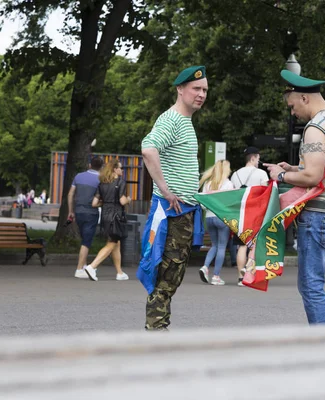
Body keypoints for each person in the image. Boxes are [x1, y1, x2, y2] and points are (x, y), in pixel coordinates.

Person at [264, 69, 325, 325]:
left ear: (304, 98)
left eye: (292, 106)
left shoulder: (315, 128)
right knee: (316, 283)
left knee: (311, 287)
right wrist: (294, 170)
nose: (292, 113)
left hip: (319, 218)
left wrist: (280, 176)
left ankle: (321, 347)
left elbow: (313, 176)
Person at [140, 65, 207, 331]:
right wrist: (166, 190)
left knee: (173, 274)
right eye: (196, 89)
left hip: (184, 211)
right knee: (166, 275)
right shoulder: (172, 120)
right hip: (173, 213)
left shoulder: (184, 121)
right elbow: (148, 149)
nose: (201, 94)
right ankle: (156, 330)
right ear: (180, 89)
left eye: (204, 90)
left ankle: (158, 328)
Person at [83, 159, 131, 282]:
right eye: (120, 168)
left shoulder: (102, 183)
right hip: (116, 216)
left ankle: (120, 273)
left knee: (115, 243)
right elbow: (122, 201)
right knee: (112, 243)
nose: (122, 170)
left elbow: (94, 203)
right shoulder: (120, 182)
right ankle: (92, 266)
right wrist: (129, 199)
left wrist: (105, 203)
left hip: (105, 216)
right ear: (115, 169)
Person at [231, 146, 269, 286]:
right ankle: (249, 273)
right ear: (253, 158)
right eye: (258, 158)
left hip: (240, 214)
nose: (259, 161)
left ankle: (240, 277)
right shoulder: (261, 174)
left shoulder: (235, 175)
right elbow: (265, 195)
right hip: (256, 214)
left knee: (242, 246)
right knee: (254, 245)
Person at [199, 160, 234, 285]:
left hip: (209, 217)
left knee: (214, 245)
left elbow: (203, 205)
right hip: (222, 217)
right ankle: (216, 276)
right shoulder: (228, 184)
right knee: (221, 247)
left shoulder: (208, 184)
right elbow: (230, 203)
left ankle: (205, 266)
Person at [68, 156, 104, 279]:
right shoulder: (100, 179)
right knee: (86, 241)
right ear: (101, 167)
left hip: (78, 211)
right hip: (91, 212)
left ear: (89, 165)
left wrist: (70, 211)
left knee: (84, 238)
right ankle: (79, 269)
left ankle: (83, 265)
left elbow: (70, 193)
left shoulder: (78, 176)